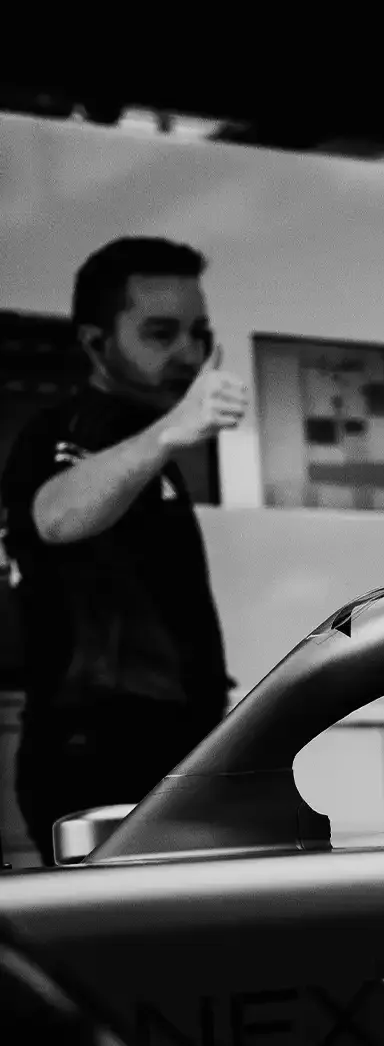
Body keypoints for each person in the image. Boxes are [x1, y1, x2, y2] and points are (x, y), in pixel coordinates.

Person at [0, 237, 248, 865]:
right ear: (94, 342)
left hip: (174, 752)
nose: (189, 355)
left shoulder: (144, 447)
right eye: (161, 334)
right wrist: (172, 430)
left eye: (199, 333)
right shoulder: (72, 426)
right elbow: (55, 516)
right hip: (98, 760)